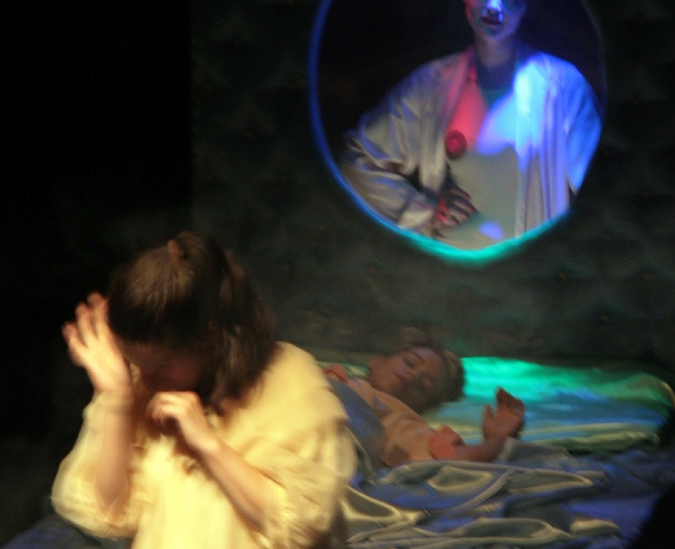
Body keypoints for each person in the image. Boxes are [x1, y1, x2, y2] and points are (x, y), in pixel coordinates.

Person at [50, 232, 355, 549]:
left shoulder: (293, 384)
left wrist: (208, 446)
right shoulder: (140, 383)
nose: (148, 381)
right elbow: (109, 513)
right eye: (136, 363)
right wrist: (117, 400)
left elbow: (298, 528)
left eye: (162, 366)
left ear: (210, 339)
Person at [340, 0, 602, 249]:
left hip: (527, 275)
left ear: (527, 5)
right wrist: (424, 210)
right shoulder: (431, 85)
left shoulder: (563, 87)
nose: (494, 7)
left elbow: (600, 192)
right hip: (445, 270)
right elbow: (357, 159)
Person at [322, 330, 525, 467]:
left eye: (424, 386)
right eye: (410, 362)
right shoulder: (324, 374)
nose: (413, 376)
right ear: (376, 361)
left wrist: (496, 440)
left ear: (422, 406)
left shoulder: (400, 420)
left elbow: (450, 458)